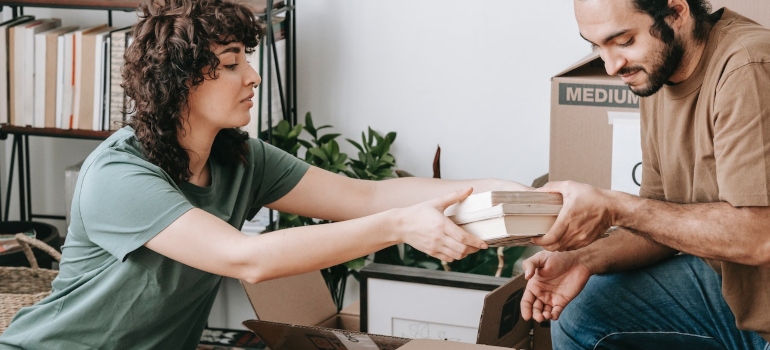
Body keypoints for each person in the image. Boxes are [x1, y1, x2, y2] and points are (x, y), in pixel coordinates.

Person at [0, 0, 531, 348]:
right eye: (231, 63)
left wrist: (491, 190)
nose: (252, 76)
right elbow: (245, 258)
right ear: (178, 79)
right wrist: (397, 227)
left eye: (246, 60)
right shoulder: (121, 175)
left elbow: (364, 195)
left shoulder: (240, 159)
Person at [519, 0, 770, 349]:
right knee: (582, 313)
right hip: (738, 286)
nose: (610, 66)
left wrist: (615, 206)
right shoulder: (656, 71)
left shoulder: (747, 67)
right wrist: (581, 258)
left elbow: (760, 237)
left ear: (676, 13)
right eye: (596, 45)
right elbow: (659, 219)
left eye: (622, 41)